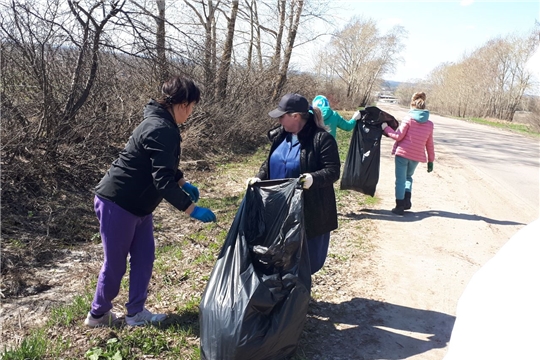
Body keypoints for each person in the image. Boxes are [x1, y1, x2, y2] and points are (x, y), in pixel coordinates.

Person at [85, 76, 216, 328]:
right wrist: (192, 209)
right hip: (118, 202)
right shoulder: (160, 127)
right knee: (115, 264)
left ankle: (135, 313)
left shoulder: (161, 123)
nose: (190, 113)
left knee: (144, 258)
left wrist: (183, 183)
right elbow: (162, 180)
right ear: (183, 104)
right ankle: (98, 314)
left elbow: (160, 164)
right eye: (192, 107)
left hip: (140, 206)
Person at [247, 93, 341, 274]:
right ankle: (281, 292)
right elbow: (270, 163)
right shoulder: (280, 136)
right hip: (277, 209)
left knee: (305, 260)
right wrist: (259, 177)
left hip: (308, 212)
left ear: (295, 116)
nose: (280, 120)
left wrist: (313, 179)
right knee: (278, 256)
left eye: (282, 116)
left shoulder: (321, 139)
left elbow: (333, 171)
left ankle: (298, 295)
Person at [382, 91, 435, 215]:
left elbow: (398, 136)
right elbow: (429, 144)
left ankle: (399, 206)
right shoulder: (429, 124)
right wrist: (431, 160)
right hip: (416, 157)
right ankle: (407, 201)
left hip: (403, 154)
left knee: (400, 180)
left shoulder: (409, 119)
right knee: (408, 177)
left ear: (412, 106)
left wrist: (385, 128)